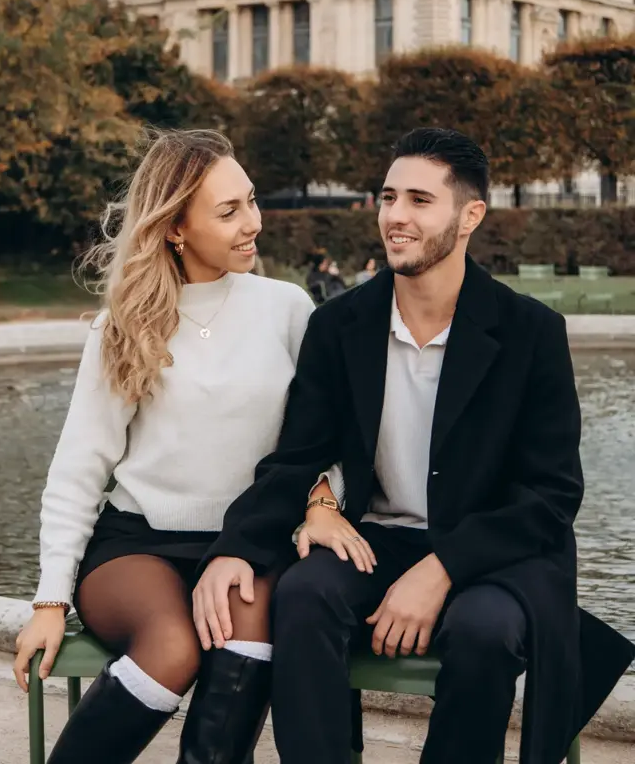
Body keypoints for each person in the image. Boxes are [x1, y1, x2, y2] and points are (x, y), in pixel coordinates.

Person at [194, 128, 635, 764]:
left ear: (470, 215)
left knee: (483, 632)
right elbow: (298, 457)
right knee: (303, 594)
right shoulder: (339, 325)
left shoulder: (531, 332)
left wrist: (444, 567)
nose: (395, 216)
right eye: (388, 196)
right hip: (378, 539)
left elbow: (551, 496)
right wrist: (236, 547)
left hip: (493, 552)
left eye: (420, 200)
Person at [12, 129, 314, 764]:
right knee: (172, 646)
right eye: (228, 212)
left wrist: (321, 504)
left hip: (248, 545)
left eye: (251, 202)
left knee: (247, 635)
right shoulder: (124, 325)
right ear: (175, 227)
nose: (251, 223)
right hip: (136, 544)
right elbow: (78, 469)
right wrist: (48, 600)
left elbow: (320, 441)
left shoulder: (288, 309)